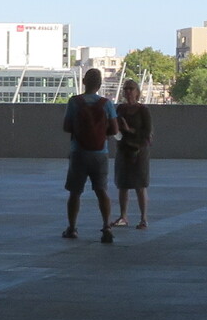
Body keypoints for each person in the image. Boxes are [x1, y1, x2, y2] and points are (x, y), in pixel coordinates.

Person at [62, 67, 119, 243]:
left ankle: (72, 228)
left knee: (75, 192)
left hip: (78, 152)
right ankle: (107, 226)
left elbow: (66, 127)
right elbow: (115, 129)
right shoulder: (106, 103)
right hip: (100, 152)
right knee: (102, 191)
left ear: (84, 82)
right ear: (100, 84)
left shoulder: (74, 102)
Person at [113, 78, 153, 229]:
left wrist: (129, 129)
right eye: (125, 89)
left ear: (137, 92)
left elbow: (148, 132)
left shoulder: (143, 110)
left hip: (139, 151)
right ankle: (123, 216)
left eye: (131, 88)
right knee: (122, 184)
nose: (128, 91)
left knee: (140, 185)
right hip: (123, 150)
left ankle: (143, 218)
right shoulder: (120, 109)